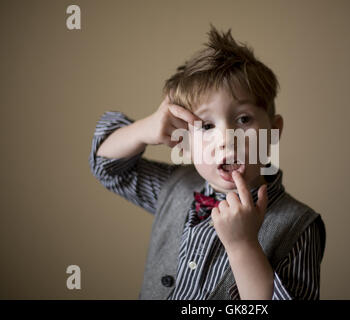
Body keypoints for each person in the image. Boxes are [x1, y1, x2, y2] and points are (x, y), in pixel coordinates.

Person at [89, 24, 326, 300]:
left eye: (243, 119)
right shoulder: (173, 187)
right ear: (185, 141)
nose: (225, 138)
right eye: (206, 125)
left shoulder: (299, 225)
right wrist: (145, 128)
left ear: (273, 132)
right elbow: (107, 168)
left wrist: (243, 247)